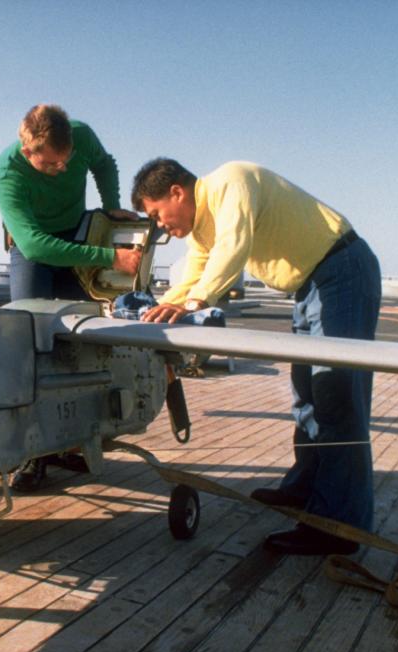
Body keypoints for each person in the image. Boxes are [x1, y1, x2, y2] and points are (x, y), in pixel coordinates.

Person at [131, 158, 381, 556]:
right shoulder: (201, 229)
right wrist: (153, 313)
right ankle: (305, 489)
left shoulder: (232, 180)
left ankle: (339, 525)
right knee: (307, 395)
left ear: (177, 192)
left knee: (337, 399)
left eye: (156, 213)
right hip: (310, 285)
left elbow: (234, 245)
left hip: (341, 272)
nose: (159, 225)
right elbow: (195, 272)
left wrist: (196, 302)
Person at [0, 104, 142, 491]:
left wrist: (109, 205)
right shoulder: (6, 174)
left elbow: (104, 165)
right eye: (50, 166)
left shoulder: (82, 134)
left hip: (77, 235)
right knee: (30, 344)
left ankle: (71, 437)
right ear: (28, 152)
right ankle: (31, 455)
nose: (60, 170)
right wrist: (111, 257)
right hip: (34, 248)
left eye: (66, 162)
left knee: (82, 339)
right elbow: (36, 247)